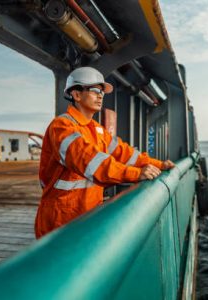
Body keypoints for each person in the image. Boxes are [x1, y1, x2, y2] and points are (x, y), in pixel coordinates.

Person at [34, 67, 175, 238]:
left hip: (87, 215)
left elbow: (126, 154)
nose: (101, 95)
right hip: (61, 220)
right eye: (94, 90)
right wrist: (137, 174)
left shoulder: (97, 130)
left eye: (102, 92)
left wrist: (159, 164)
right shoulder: (62, 127)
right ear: (76, 95)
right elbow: (92, 163)